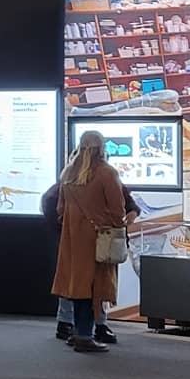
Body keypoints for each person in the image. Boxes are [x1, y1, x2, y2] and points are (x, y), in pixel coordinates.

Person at [51, 130, 128, 354]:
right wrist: (117, 224)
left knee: (78, 284)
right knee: (94, 286)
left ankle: (77, 332)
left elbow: (60, 209)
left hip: (72, 239)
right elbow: (117, 210)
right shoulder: (107, 173)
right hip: (97, 239)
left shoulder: (68, 173)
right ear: (102, 148)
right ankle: (85, 335)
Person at [43, 180, 141, 344]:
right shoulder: (84, 177)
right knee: (82, 281)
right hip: (87, 240)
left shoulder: (78, 177)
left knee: (88, 281)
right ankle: (82, 325)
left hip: (97, 240)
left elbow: (130, 205)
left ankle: (80, 324)